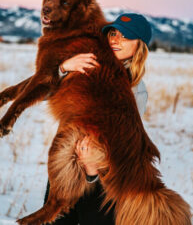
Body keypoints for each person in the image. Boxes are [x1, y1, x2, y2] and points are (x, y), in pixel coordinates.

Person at [44, 13, 152, 225]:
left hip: (101, 176)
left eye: (126, 36)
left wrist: (93, 170)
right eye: (113, 33)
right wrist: (64, 68)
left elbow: (121, 141)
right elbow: (45, 93)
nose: (115, 40)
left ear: (140, 45)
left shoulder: (136, 90)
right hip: (64, 167)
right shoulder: (86, 64)